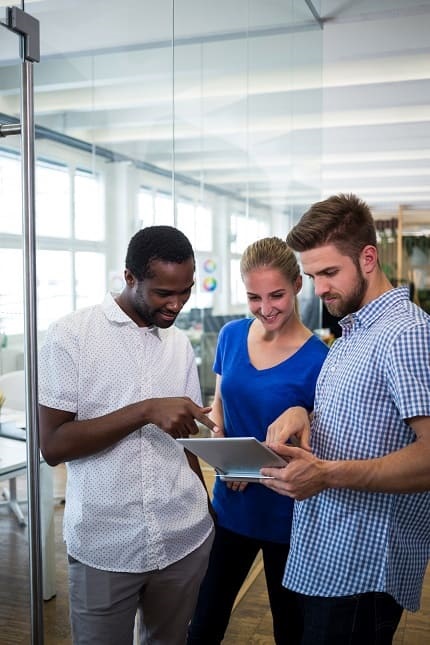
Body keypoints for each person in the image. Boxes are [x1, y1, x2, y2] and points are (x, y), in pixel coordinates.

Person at [261, 194, 430, 645]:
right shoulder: (355, 329)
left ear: (368, 258)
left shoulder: (407, 334)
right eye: (313, 275)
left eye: (329, 273)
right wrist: (304, 412)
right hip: (330, 556)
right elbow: (367, 414)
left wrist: (327, 475)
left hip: (363, 570)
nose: (319, 289)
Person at [38, 225, 217, 645]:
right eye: (163, 293)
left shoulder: (179, 346)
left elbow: (184, 438)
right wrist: (146, 410)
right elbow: (53, 446)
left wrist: (206, 508)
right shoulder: (71, 336)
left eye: (186, 291)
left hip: (184, 538)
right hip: (105, 545)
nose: (177, 304)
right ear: (130, 277)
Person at [187, 237, 329, 645]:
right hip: (230, 504)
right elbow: (219, 408)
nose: (265, 308)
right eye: (254, 296)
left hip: (286, 513)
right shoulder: (231, 335)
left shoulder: (320, 359)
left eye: (276, 295)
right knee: (205, 619)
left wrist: (257, 464)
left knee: (290, 627)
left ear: (299, 285)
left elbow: (317, 442)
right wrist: (222, 448)